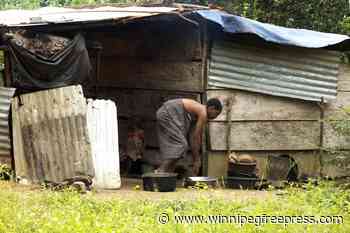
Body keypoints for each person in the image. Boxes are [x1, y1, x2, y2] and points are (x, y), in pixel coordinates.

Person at [156, 98, 222, 175]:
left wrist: (195, 160)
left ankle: (168, 173)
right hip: (168, 111)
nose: (215, 117)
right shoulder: (203, 112)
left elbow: (192, 137)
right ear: (211, 108)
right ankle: (160, 170)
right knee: (182, 145)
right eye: (216, 114)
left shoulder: (195, 113)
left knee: (181, 148)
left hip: (167, 112)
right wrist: (197, 160)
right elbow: (196, 137)